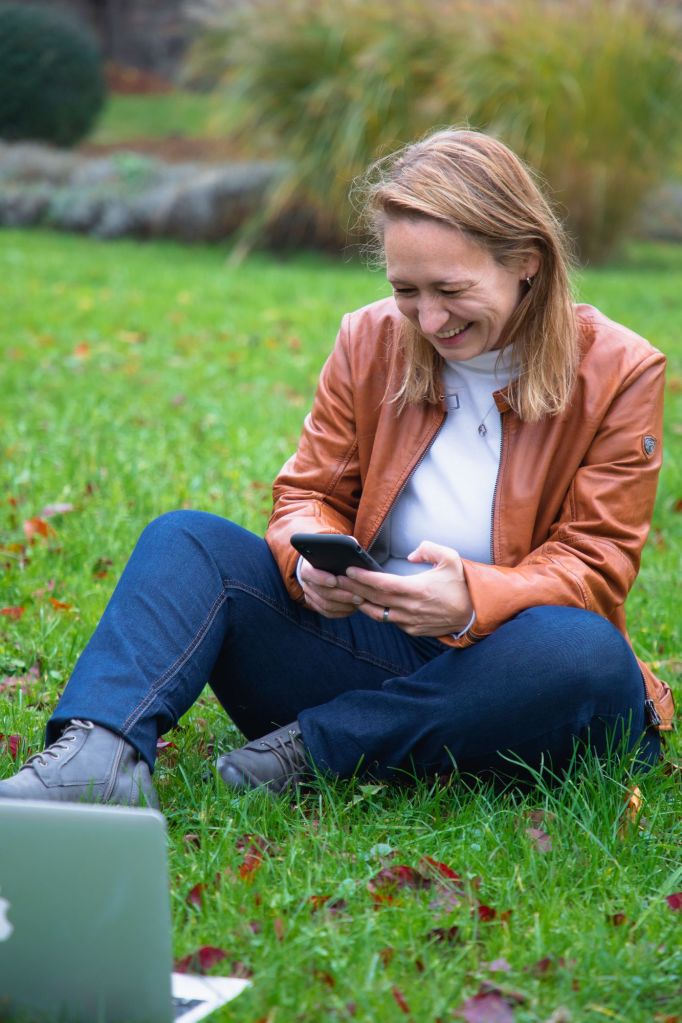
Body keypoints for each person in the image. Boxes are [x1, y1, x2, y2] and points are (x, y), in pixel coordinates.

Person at [0, 128, 674, 806]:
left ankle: (319, 748)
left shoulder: (618, 371)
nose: (429, 318)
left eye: (449, 288)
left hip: (521, 687)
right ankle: (96, 755)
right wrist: (305, 561)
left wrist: (473, 598)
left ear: (526, 261)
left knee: (584, 652)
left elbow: (594, 563)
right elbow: (308, 494)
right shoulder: (370, 338)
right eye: (406, 288)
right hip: (377, 655)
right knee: (188, 541)